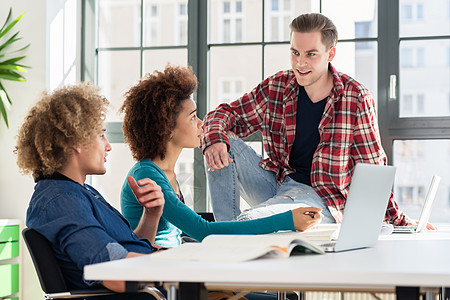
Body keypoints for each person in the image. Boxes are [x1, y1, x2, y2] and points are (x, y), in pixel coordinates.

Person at [202, 13, 420, 227]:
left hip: (321, 199)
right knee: (218, 142)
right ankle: (225, 228)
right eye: (295, 53)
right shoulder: (277, 87)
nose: (300, 63)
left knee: (254, 220)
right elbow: (224, 114)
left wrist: (397, 219)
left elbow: (373, 168)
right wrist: (215, 139)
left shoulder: (356, 98)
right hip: (277, 184)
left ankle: (232, 230)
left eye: (311, 54)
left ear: (330, 53)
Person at [119, 64, 322, 249]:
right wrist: (287, 219)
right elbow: (203, 231)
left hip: (174, 261)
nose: (201, 124)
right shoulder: (147, 175)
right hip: (159, 274)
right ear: (166, 128)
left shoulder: (166, 172)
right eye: (192, 118)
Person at [15, 83, 166, 298]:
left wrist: (151, 214)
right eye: (101, 135)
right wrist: (177, 263)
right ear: (77, 140)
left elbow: (126, 250)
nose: (108, 145)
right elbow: (113, 272)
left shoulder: (77, 192)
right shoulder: (62, 201)